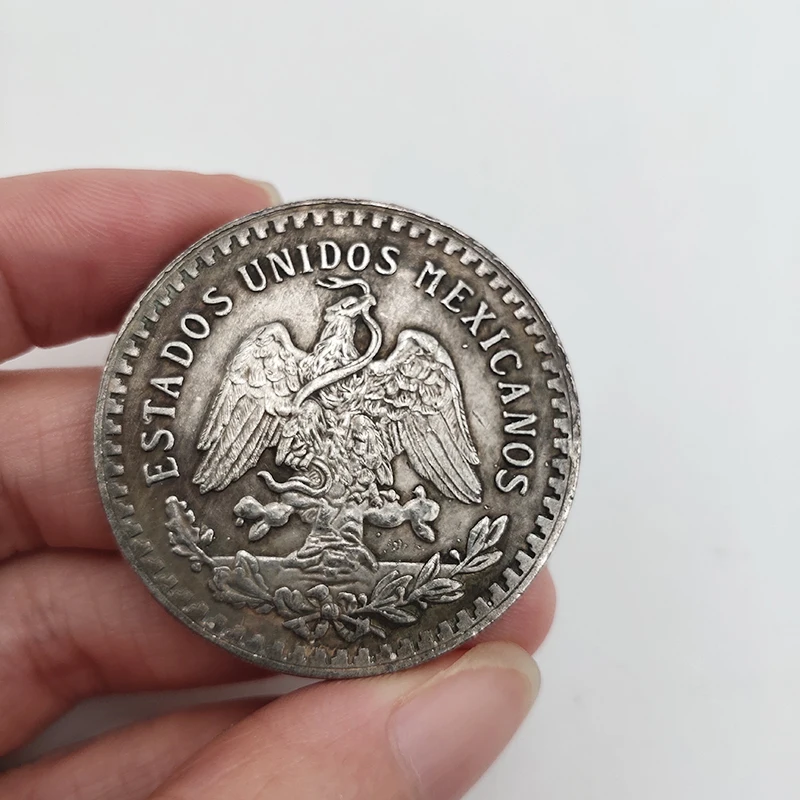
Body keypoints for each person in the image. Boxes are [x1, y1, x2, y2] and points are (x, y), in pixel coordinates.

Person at [0, 169, 556, 800]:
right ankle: (322, 540)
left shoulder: (406, 365)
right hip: (311, 487)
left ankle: (344, 541)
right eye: (343, 312)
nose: (350, 319)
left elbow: (441, 454)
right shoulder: (276, 356)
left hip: (363, 487)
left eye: (355, 311)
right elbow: (229, 461)